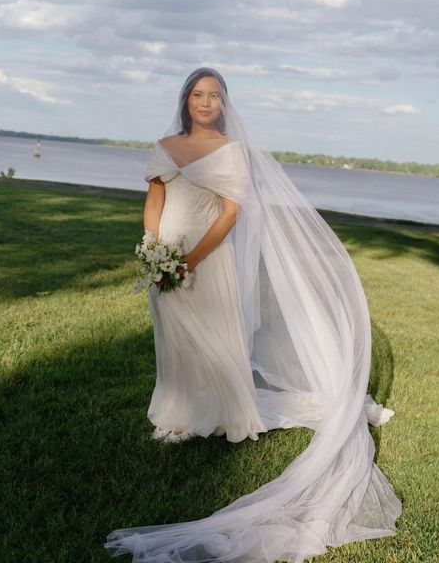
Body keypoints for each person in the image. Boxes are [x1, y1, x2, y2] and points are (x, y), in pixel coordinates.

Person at [105, 67, 402, 562]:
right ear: (186, 100)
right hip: (163, 260)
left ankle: (224, 412)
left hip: (206, 257)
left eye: (213, 95)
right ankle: (180, 412)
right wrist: (153, 252)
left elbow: (230, 215)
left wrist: (189, 260)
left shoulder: (231, 151)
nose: (204, 102)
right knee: (176, 338)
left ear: (223, 103)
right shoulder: (166, 144)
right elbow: (154, 201)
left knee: (214, 338)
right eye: (197, 94)